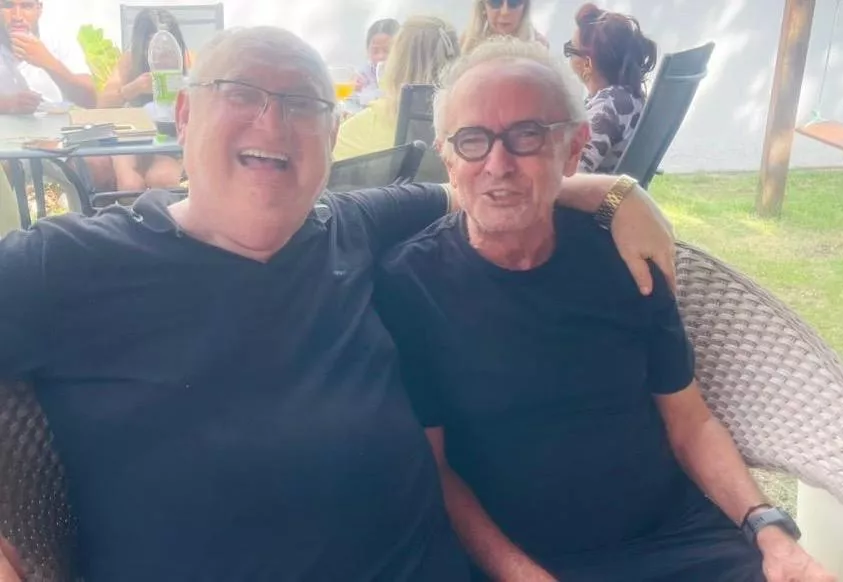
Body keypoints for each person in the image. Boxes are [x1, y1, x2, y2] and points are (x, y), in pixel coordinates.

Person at [0, 26, 677, 581]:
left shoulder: (348, 224)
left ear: (330, 139)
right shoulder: (71, 263)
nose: (273, 121)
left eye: (303, 104)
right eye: (242, 93)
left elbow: (481, 188)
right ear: (184, 115)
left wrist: (615, 192)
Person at [375, 37, 837, 582]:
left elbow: (689, 420)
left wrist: (769, 530)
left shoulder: (626, 257)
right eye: (472, 140)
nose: (498, 163)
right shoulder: (412, 285)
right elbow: (435, 470)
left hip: (676, 540)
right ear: (448, 158)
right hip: (524, 559)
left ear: (573, 148)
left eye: (527, 135)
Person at [334, 16, 458, 160]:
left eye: (388, 51)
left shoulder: (368, 124)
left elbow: (328, 157)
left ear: (396, 61)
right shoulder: (466, 120)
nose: (381, 57)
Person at [97, 8, 188, 191]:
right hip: (132, 137)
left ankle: (163, 209)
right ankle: (127, 209)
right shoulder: (130, 61)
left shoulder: (187, 59)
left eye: (167, 44)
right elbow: (102, 106)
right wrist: (133, 88)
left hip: (168, 139)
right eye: (152, 43)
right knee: (130, 184)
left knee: (164, 179)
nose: (160, 52)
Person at [566, 3, 657, 174]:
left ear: (587, 63)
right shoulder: (628, 97)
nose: (569, 56)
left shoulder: (605, 111)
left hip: (591, 191)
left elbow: (572, 175)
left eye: (570, 49)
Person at [1, 0, 95, 108]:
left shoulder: (59, 41)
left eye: (26, 6)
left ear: (39, 9)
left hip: (56, 118)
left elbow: (90, 100)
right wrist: (6, 104)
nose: (17, 17)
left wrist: (48, 62)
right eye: (8, 5)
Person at [460, 0, 546, 55]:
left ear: (524, 7)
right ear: (483, 7)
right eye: (495, 2)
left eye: (514, 2)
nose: (505, 12)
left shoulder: (538, 46)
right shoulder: (466, 44)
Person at [352, 17, 400, 108]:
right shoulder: (363, 74)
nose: (380, 56)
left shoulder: (405, 74)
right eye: (375, 51)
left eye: (387, 50)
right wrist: (354, 91)